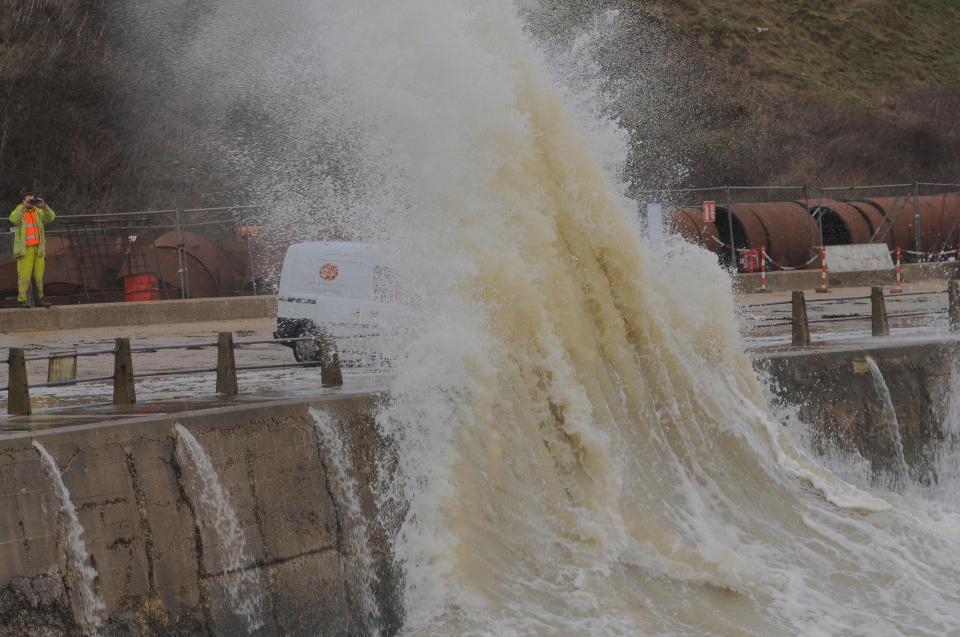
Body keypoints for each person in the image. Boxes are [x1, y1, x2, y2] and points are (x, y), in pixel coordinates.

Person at [9, 193, 55, 308]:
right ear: (23, 201)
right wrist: (23, 206)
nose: (31, 202)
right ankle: (22, 300)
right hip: (25, 250)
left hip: (38, 249)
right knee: (24, 276)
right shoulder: (20, 211)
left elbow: (51, 217)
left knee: (39, 276)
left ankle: (39, 299)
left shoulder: (38, 212)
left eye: (32, 200)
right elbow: (14, 219)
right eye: (28, 200)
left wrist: (44, 206)